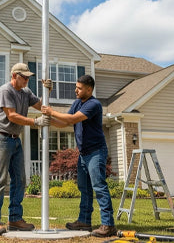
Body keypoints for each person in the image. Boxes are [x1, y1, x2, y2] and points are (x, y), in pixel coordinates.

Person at [41, 74, 117, 238]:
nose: (75, 90)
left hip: (96, 152)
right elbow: (66, 122)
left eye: (79, 88)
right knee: (84, 188)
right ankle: (84, 221)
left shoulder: (94, 104)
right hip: (83, 154)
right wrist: (48, 120)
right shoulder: (77, 103)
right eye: (76, 87)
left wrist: (52, 111)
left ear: (89, 89)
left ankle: (108, 225)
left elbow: (73, 118)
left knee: (99, 188)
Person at [0, 62, 52, 236]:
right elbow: (12, 116)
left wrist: (47, 91)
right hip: (0, 139)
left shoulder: (26, 93)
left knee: (20, 180)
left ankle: (15, 219)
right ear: (15, 76)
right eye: (25, 77)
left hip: (15, 140)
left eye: (29, 77)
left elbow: (42, 107)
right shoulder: (5, 91)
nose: (27, 80)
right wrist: (34, 122)